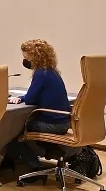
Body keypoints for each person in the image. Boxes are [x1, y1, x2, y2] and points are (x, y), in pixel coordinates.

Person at [5, 39, 72, 179]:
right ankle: (54, 151)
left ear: (34, 57)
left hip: (52, 124)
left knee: (11, 133)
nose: (25, 61)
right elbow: (36, 95)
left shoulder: (41, 73)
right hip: (64, 122)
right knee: (24, 126)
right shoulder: (52, 72)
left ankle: (35, 166)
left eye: (26, 57)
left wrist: (21, 98)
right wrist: (22, 98)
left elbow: (30, 98)